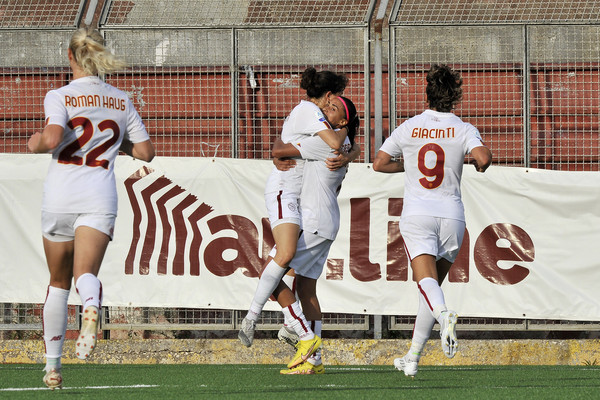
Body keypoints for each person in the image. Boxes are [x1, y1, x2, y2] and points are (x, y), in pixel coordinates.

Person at [28, 27, 155, 390]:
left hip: (61, 196)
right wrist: (120, 147)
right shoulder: (121, 99)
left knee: (57, 281)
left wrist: (36, 142)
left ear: (69, 57)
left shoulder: (60, 95)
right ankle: (92, 305)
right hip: (99, 196)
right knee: (86, 273)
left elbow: (51, 139)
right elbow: (146, 152)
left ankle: (53, 367)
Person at [373, 64, 492, 378]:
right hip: (452, 216)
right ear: (455, 97)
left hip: (418, 214)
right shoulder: (464, 127)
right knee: (431, 287)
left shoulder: (410, 126)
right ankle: (412, 357)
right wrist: (477, 165)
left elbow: (379, 163)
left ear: (427, 94)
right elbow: (483, 158)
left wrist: (409, 167)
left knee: (426, 286)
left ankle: (444, 316)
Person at [238, 67, 349, 347]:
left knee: (291, 272)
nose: (333, 104)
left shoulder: (316, 119)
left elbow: (282, 145)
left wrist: (350, 148)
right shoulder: (311, 113)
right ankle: (255, 317)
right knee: (285, 256)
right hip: (283, 190)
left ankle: (292, 327)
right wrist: (349, 134)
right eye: (334, 99)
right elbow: (334, 143)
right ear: (327, 95)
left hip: (302, 199)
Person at [269, 96, 360, 374]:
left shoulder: (323, 142)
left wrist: (278, 146)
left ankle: (299, 333)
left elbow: (280, 149)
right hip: (327, 221)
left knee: (270, 277)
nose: (323, 109)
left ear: (342, 121)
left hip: (313, 221)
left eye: (331, 109)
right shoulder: (343, 142)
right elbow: (353, 145)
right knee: (307, 289)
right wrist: (352, 149)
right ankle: (314, 361)